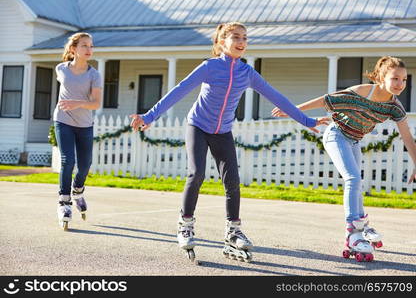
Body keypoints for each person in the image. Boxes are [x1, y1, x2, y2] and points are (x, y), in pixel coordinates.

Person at [130, 22, 328, 262]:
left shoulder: (247, 73)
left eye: (244, 37)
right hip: (198, 126)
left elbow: (278, 98)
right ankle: (185, 225)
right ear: (221, 42)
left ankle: (233, 232)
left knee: (232, 180)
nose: (241, 41)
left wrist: (307, 121)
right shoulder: (209, 67)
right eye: (235, 37)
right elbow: (179, 90)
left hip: (222, 131)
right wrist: (149, 116)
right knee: (197, 174)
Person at [272, 56, 416, 262]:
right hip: (336, 135)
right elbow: (325, 100)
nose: (400, 84)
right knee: (353, 179)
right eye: (395, 79)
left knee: (357, 182)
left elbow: (407, 137)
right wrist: (293, 110)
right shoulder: (362, 92)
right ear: (381, 78)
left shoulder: (394, 107)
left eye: (404, 80)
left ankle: (363, 225)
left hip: (354, 140)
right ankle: (352, 231)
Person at [54, 32, 103, 230]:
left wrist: (77, 103)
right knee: (68, 160)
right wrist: (70, 105)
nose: (89, 50)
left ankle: (78, 190)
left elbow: (96, 104)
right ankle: (64, 202)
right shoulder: (61, 69)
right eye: (84, 46)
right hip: (63, 120)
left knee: (85, 165)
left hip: (84, 124)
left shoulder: (94, 75)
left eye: (91, 46)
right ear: (74, 49)